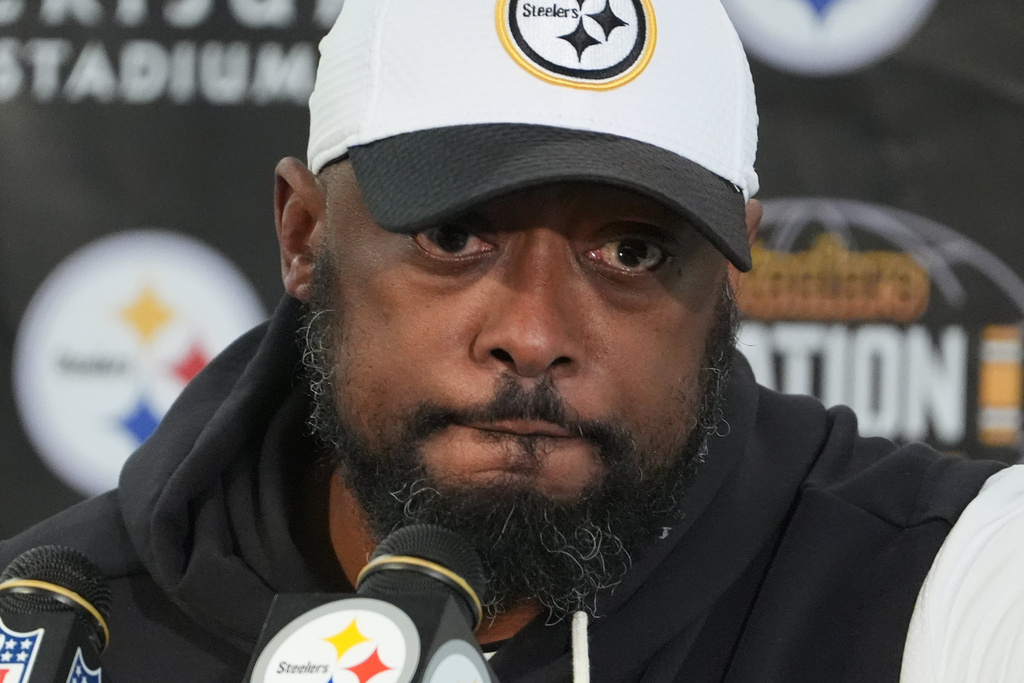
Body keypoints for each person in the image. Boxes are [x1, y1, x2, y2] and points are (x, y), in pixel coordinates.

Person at [3, 1, 1023, 681]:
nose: (533, 335)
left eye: (630, 250)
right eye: (455, 236)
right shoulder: (61, 635)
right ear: (303, 232)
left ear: (733, 270)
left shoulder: (930, 581)